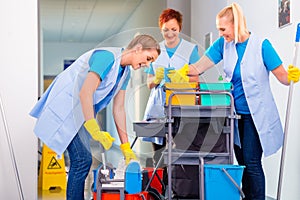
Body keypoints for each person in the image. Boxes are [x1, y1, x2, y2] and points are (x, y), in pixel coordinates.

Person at [188, 3, 300, 200]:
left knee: (252, 161)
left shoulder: (261, 45)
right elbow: (197, 68)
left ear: (236, 24)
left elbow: (283, 77)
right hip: (234, 116)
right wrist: (180, 72)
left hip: (255, 116)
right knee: (241, 162)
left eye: (223, 29)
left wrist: (292, 75)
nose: (221, 33)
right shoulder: (223, 45)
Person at [30, 34, 160, 200]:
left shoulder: (125, 72)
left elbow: (119, 108)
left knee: (82, 161)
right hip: (66, 108)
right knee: (82, 160)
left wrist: (125, 147)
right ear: (138, 48)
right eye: (148, 58)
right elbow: (86, 92)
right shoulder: (106, 57)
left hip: (78, 113)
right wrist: (94, 129)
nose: (147, 64)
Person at [143, 8, 200, 167]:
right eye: (166, 30)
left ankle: (176, 189)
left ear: (180, 29)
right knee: (158, 154)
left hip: (181, 104)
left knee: (179, 150)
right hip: (157, 106)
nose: (170, 34)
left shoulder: (189, 49)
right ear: (161, 29)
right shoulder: (154, 49)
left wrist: (182, 78)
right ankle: (160, 189)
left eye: (174, 29)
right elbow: (149, 83)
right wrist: (157, 77)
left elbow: (196, 79)